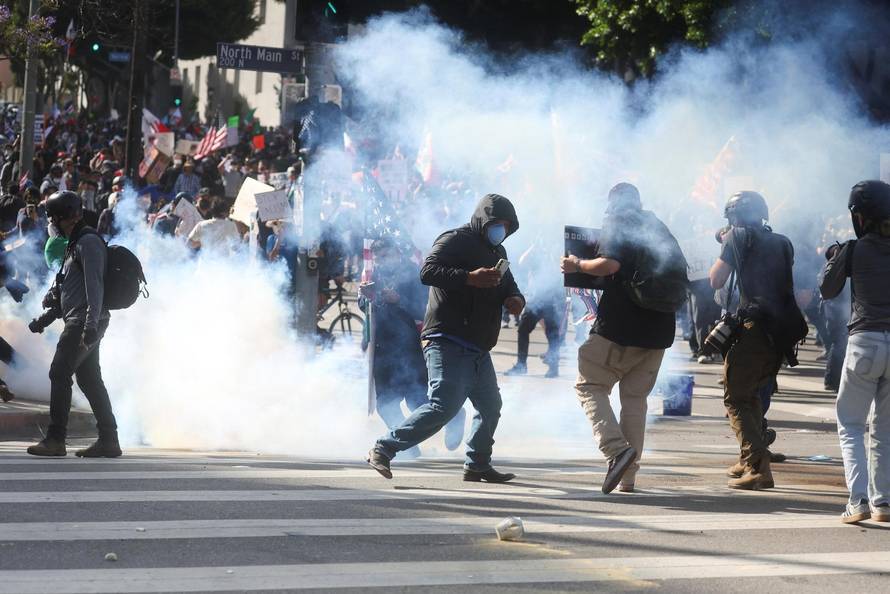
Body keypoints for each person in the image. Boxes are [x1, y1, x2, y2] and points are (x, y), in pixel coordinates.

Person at [367, 193, 525, 482]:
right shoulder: (455, 239)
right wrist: (469, 277)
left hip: (478, 344)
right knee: (443, 405)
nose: (500, 230)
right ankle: (384, 448)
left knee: (490, 407)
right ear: (483, 219)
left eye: (505, 225)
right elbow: (428, 271)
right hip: (447, 337)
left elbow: (509, 286)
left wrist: (516, 300)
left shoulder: (499, 254)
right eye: (496, 223)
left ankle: (477, 462)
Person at [560, 183, 679, 494]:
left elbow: (609, 264)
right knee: (635, 400)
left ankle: (616, 450)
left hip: (621, 327)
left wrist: (578, 265)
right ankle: (628, 478)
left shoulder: (617, 222)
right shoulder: (657, 224)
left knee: (589, 385)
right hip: (659, 330)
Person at [709, 191, 806, 490]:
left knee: (736, 396)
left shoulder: (736, 237)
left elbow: (715, 280)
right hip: (783, 329)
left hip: (754, 325)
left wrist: (728, 242)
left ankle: (757, 468)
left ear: (734, 217)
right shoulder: (782, 241)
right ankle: (748, 455)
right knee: (751, 392)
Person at [26, 190, 121, 458]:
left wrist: (90, 327)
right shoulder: (75, 241)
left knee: (59, 372)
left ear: (62, 216)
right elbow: (72, 288)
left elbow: (95, 286)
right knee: (89, 379)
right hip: (83, 318)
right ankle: (109, 439)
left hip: (84, 321)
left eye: (53, 217)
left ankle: (56, 439)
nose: (51, 223)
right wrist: (46, 315)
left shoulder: (88, 241)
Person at [821, 180, 890, 524]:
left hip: (865, 340)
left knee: (850, 423)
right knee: (884, 430)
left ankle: (858, 500)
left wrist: (835, 257)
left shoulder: (855, 248)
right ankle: (884, 503)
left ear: (861, 216)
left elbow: (827, 289)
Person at [359, 238, 466, 455]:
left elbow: (424, 309)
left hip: (408, 347)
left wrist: (398, 301)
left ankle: (454, 417)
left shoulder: (415, 275)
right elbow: (366, 307)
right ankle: (409, 447)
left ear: (397, 253)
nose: (382, 262)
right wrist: (365, 297)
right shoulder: (376, 274)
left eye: (386, 256)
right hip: (381, 347)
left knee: (418, 401)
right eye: (379, 259)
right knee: (385, 405)